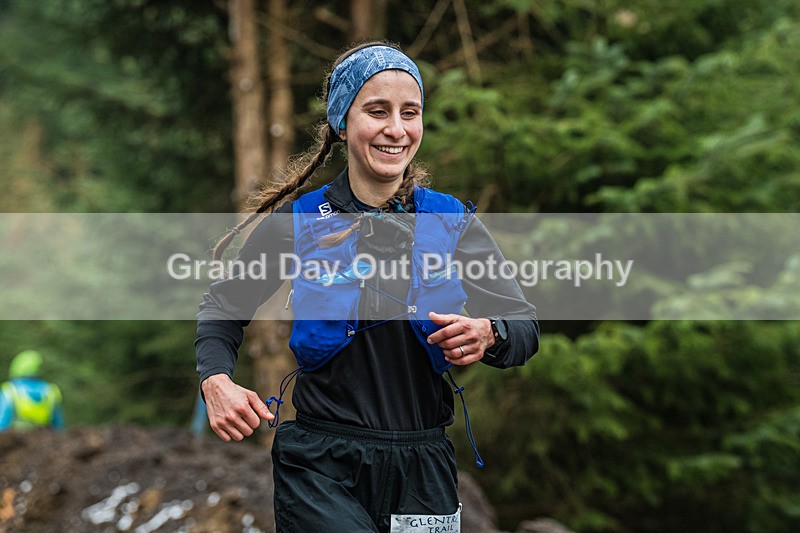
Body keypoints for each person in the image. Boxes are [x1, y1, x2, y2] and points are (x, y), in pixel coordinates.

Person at [195, 41, 539, 532]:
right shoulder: (300, 220)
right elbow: (223, 307)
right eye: (377, 111)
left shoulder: (452, 222)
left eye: (410, 112)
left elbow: (525, 327)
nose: (396, 129)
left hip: (423, 466)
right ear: (342, 122)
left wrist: (491, 333)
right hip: (321, 466)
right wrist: (216, 380)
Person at [0, 350, 64, 431]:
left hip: (16, 440)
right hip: (44, 439)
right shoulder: (50, 391)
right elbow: (58, 426)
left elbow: (2, 423)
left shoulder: (10, 390)